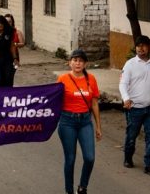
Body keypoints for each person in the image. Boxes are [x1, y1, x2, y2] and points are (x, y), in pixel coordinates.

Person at [119, 35, 150, 177]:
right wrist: (126, 98)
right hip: (134, 108)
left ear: (149, 47)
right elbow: (123, 84)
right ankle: (128, 157)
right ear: (136, 48)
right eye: (138, 45)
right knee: (131, 136)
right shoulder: (130, 64)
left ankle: (149, 165)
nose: (141, 48)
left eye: (144, 45)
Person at [57, 50, 102, 194]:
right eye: (75, 60)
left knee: (90, 157)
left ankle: (82, 187)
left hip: (85, 122)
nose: (77, 63)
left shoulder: (91, 79)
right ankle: (69, 191)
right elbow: (53, 101)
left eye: (81, 61)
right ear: (69, 62)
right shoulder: (63, 79)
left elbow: (94, 104)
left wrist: (98, 127)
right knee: (70, 159)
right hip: (67, 122)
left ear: (85, 64)